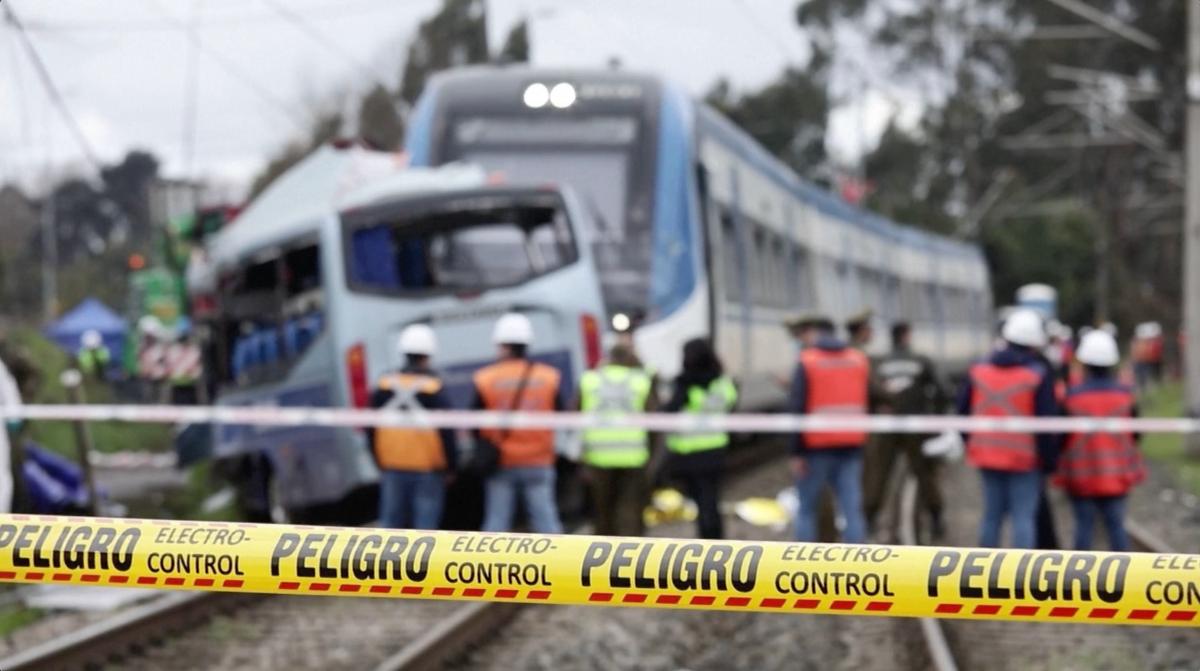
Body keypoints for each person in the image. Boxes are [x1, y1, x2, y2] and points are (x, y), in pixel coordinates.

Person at [957, 308, 1059, 548]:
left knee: (991, 516)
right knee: (1023, 518)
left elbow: (961, 413)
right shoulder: (1037, 374)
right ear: (1034, 344)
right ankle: (1022, 579)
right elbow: (1047, 423)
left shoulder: (979, 370)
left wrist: (971, 443)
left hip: (987, 457)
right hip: (1023, 460)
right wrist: (1049, 461)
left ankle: (982, 576)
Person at [472, 313, 564, 534]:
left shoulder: (485, 378)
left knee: (496, 525)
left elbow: (475, 423)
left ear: (503, 346)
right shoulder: (549, 377)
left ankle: (487, 567)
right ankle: (560, 567)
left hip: (502, 461)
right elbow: (561, 415)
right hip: (539, 460)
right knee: (546, 523)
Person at [1055, 330, 1145, 551]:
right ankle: (1125, 581)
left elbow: (1061, 437)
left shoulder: (1071, 397)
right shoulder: (1126, 396)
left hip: (1080, 475)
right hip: (1116, 474)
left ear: (1084, 363)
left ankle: (1078, 584)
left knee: (1083, 528)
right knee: (1116, 527)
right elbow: (1136, 433)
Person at [368, 324, 457, 530]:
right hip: (427, 468)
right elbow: (447, 432)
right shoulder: (433, 388)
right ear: (428, 355)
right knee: (425, 530)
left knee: (390, 527)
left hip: (393, 465)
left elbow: (371, 428)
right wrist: (452, 466)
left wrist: (378, 460)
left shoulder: (384, 385)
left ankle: (383, 563)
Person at [864, 322, 948, 540]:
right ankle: (937, 518)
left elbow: (869, 393)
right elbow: (942, 391)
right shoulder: (921, 361)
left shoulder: (878, 363)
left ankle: (869, 519)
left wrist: (877, 411)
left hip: (886, 426)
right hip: (916, 426)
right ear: (906, 336)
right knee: (924, 474)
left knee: (878, 473)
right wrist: (935, 418)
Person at [790, 318, 870, 543]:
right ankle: (857, 563)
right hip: (851, 445)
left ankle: (800, 563)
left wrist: (796, 452)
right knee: (851, 508)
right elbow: (870, 397)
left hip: (816, 448)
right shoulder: (858, 359)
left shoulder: (808, 361)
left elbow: (797, 408)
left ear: (815, 333)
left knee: (806, 509)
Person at [578, 344, 657, 536]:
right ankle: (633, 560)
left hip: (598, 457)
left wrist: (580, 459)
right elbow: (654, 422)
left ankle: (602, 559)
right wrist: (653, 458)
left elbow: (575, 418)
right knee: (630, 512)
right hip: (633, 457)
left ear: (608, 358)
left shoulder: (589, 380)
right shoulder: (641, 381)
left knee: (602, 513)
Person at [665, 338, 737, 540]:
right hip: (715, 450)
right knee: (711, 501)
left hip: (689, 452)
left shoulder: (685, 384)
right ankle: (717, 542)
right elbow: (731, 406)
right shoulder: (723, 383)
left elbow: (670, 410)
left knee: (700, 502)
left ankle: (705, 543)